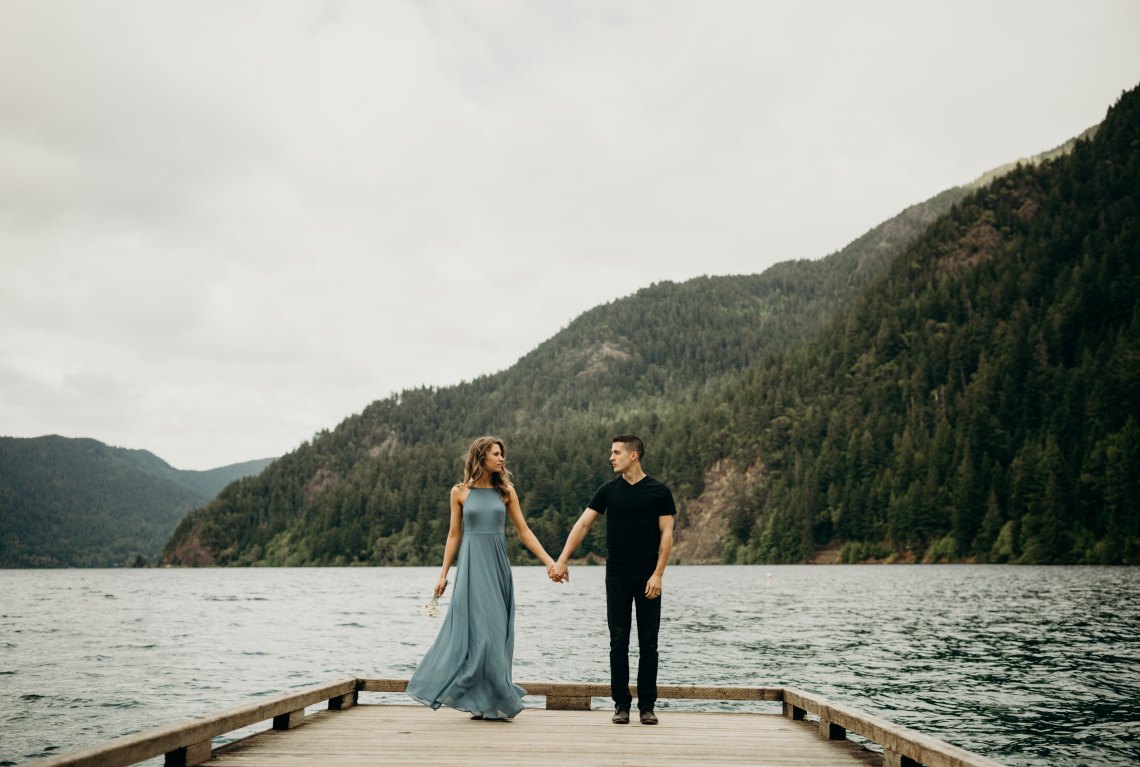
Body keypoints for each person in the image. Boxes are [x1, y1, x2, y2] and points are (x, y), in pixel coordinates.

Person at [406, 436, 559, 720]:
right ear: (482, 457)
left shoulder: (506, 491)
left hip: (498, 566)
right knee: (478, 636)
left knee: (496, 634)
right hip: (471, 568)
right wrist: (442, 575)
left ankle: (491, 701)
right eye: (497, 454)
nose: (502, 459)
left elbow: (524, 532)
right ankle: (480, 699)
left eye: (502, 455)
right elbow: (453, 535)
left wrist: (550, 562)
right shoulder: (460, 492)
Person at [549, 434, 675, 725]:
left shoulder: (659, 491)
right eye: (611, 452)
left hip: (648, 576)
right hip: (616, 575)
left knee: (649, 643)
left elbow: (667, 536)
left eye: (616, 452)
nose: (611, 457)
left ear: (634, 455)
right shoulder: (608, 490)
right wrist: (563, 559)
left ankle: (647, 706)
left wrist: (658, 574)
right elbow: (583, 524)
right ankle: (621, 705)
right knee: (618, 642)